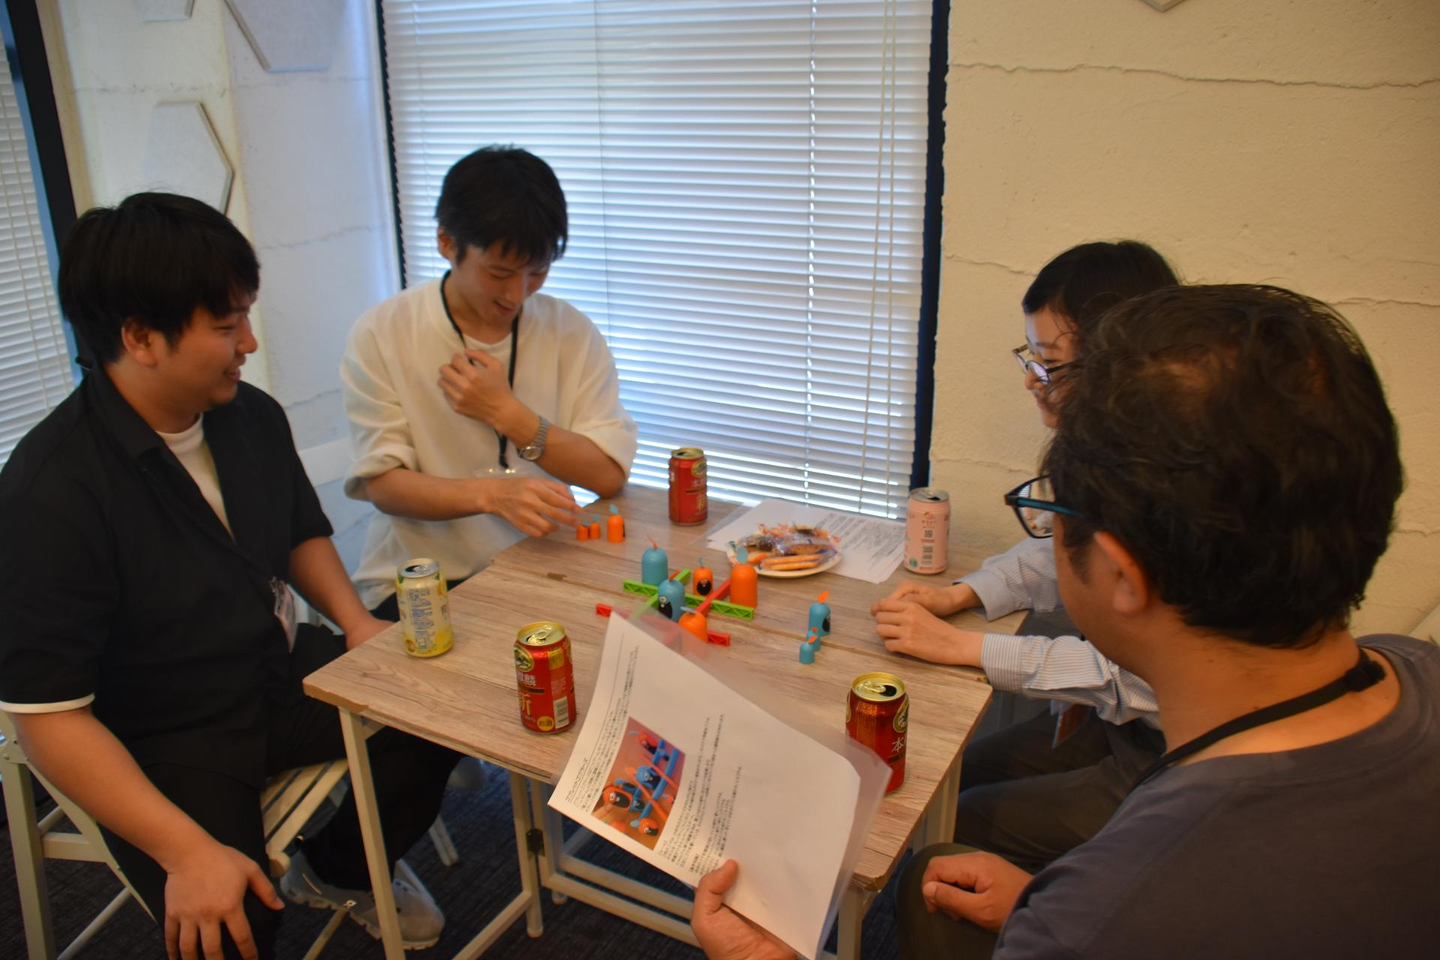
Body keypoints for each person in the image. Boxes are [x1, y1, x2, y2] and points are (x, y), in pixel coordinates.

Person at [695, 283, 1438, 959]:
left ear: (1120, 574)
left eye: (1053, 513)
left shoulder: (1104, 915)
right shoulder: (1414, 667)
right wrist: (1039, 896)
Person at [0, 193, 461, 959]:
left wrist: (357, 625)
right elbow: (48, 719)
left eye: (245, 316)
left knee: (442, 711)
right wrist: (187, 853)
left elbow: (299, 533)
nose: (248, 342)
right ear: (140, 337)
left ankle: (338, 869)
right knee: (231, 918)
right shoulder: (51, 491)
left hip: (271, 668)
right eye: (225, 326)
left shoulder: (248, 415)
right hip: (164, 730)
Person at [872, 241, 1179, 868]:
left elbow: (1138, 677)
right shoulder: (1103, 451)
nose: (1032, 380)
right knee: (948, 778)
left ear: (1124, 364)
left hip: (1173, 754)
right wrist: (961, 595)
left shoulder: (1168, 485)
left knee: (949, 822)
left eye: (1051, 364)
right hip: (1116, 724)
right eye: (1032, 358)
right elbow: (1062, 553)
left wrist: (966, 647)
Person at [341, 145, 637, 617]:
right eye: (500, 273)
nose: (517, 294)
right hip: (422, 581)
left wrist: (508, 414)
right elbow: (383, 485)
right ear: (446, 242)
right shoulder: (383, 332)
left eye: (537, 272)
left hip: (542, 570)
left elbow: (606, 475)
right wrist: (491, 496)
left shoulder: (570, 332)